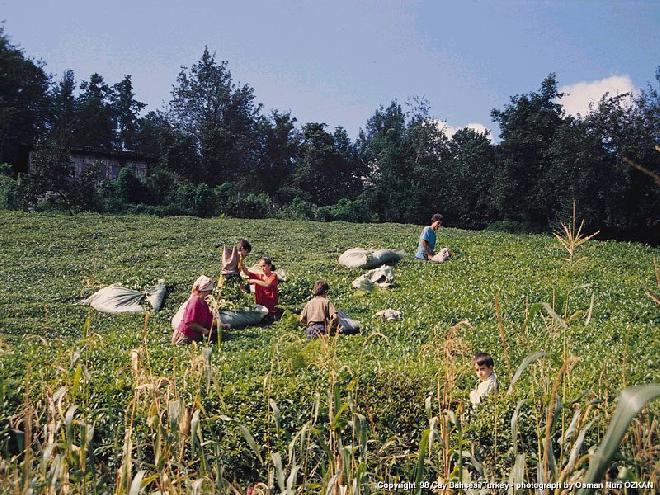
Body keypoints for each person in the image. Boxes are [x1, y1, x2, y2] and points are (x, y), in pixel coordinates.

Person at [172, 275, 230, 345]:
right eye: (209, 291)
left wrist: (222, 325)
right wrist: (202, 330)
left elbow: (210, 320)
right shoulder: (195, 301)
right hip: (185, 336)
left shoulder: (204, 302)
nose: (210, 293)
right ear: (203, 291)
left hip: (196, 335)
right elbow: (190, 323)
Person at [243, 256, 281, 322]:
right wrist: (241, 264)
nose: (262, 268)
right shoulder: (260, 275)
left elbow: (267, 284)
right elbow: (247, 273)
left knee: (271, 320)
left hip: (271, 309)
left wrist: (254, 280)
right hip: (261, 308)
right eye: (260, 266)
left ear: (269, 266)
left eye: (264, 266)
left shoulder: (273, 276)